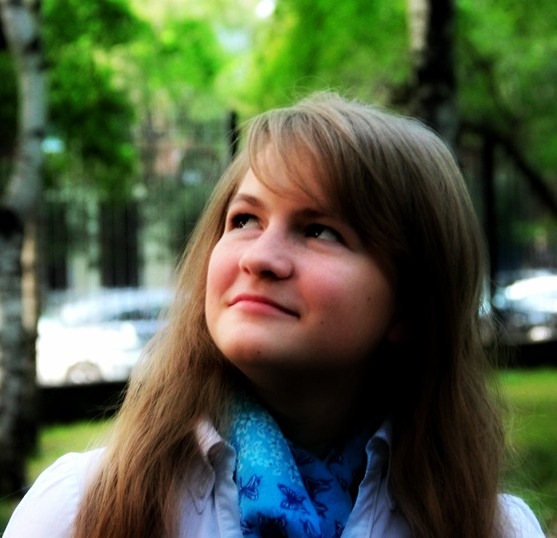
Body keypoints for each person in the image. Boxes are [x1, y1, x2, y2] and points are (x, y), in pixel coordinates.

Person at [5, 93, 545, 538]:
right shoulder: (81, 510)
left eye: (320, 230)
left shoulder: (493, 528)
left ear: (409, 305)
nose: (259, 257)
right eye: (244, 219)